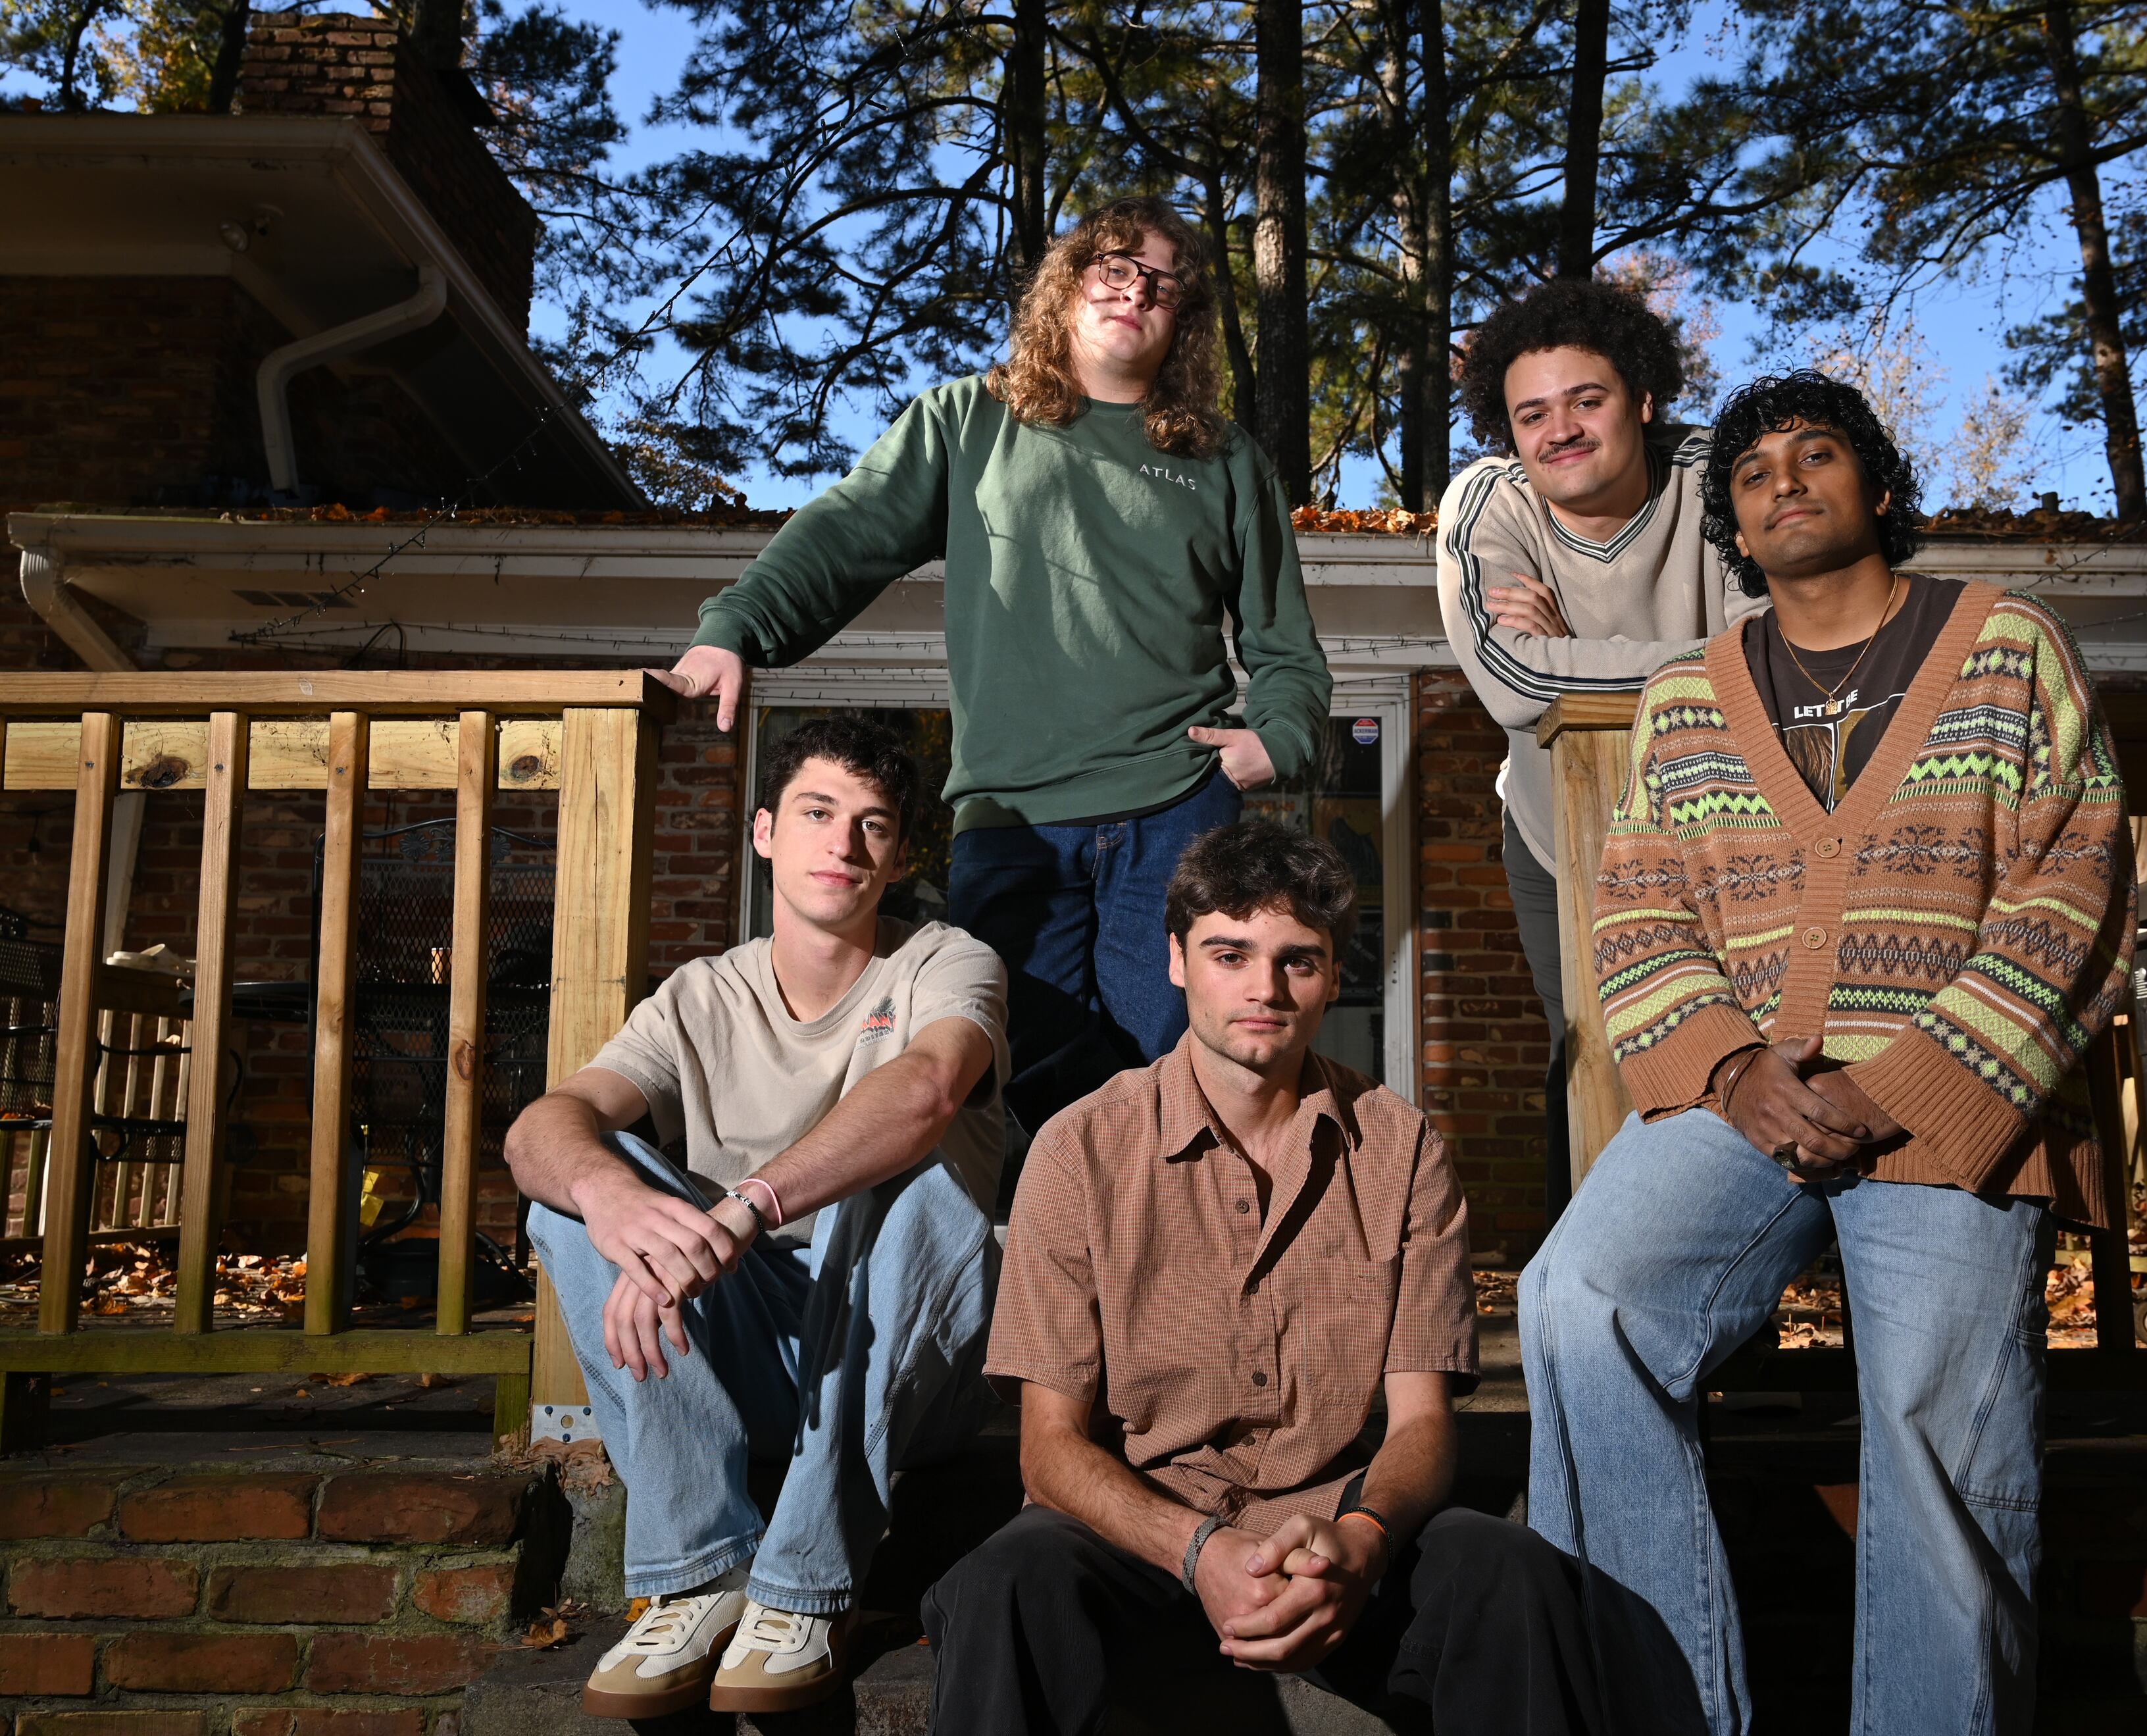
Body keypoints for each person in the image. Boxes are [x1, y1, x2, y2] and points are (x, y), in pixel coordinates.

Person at [1519, 370, 2134, 1735]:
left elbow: (2076, 882)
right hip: (1743, 1099)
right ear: (1733, 525)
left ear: (1879, 487)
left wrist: (1900, 1081)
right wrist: (1738, 1073)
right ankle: (1665, 1711)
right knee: (1578, 1298)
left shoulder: (2007, 643)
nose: (1783, 481)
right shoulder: (1690, 694)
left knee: (1937, 1439)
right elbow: (1638, 911)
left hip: (1953, 1101)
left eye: (1816, 454)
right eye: (1751, 473)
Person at [921, 822, 1698, 1735]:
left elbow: (1420, 1426)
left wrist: (1363, 1542)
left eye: (1298, 960)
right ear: (1175, 960)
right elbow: (1047, 1451)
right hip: (1138, 1534)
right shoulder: (1079, 1148)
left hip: (1331, 1528)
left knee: (1508, 1570)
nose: (1264, 987)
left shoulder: (1402, 1147)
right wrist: (1198, 1548)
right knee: (1007, 1582)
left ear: (1332, 975)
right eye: (1230, 953)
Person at [661, 197, 1331, 1150]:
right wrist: (736, 627)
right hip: (1015, 819)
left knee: (1180, 1083)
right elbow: (846, 534)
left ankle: (1172, 1293)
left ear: (1182, 320)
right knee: (1011, 1081)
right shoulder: (968, 422)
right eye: (1112, 267)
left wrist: (1279, 740)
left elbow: (1285, 647)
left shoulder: (1223, 461)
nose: (1135, 290)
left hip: (1177, 809)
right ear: (1065, 284)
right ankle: (1040, 1292)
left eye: (1162, 282)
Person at [506, 714, 1011, 1716]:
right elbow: (538, 1130)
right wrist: (613, 1202)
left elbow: (926, 1090)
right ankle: (698, 1573)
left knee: (930, 1184)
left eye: (873, 825)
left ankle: (802, 1586)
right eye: (819, 813)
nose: (845, 843)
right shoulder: (700, 995)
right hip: (755, 1347)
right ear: (765, 832)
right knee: (571, 1197)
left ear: (898, 854)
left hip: (910, 1365)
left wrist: (746, 1207)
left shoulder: (948, 962)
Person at [1436, 278, 1759, 1212]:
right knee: (1587, 1047)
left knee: (1738, 1045)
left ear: (1643, 400)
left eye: (1587, 400)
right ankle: (1581, 1303)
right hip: (1557, 839)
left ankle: (1737, 1310)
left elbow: (1784, 656)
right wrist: (1713, 661)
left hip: (1728, 829)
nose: (1560, 430)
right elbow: (1512, 685)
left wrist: (1569, 647)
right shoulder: (1487, 503)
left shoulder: (1720, 473)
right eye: (1531, 413)